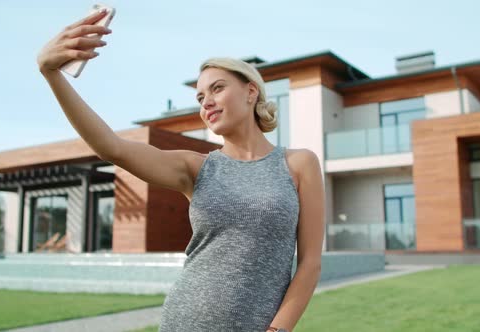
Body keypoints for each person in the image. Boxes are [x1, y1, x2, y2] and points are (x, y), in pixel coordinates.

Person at [36, 8, 325, 332]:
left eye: (217, 88)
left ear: (250, 91)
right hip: (185, 321)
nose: (207, 103)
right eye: (201, 97)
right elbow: (111, 147)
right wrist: (52, 74)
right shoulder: (196, 167)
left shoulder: (299, 164)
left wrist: (277, 330)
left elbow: (311, 263)